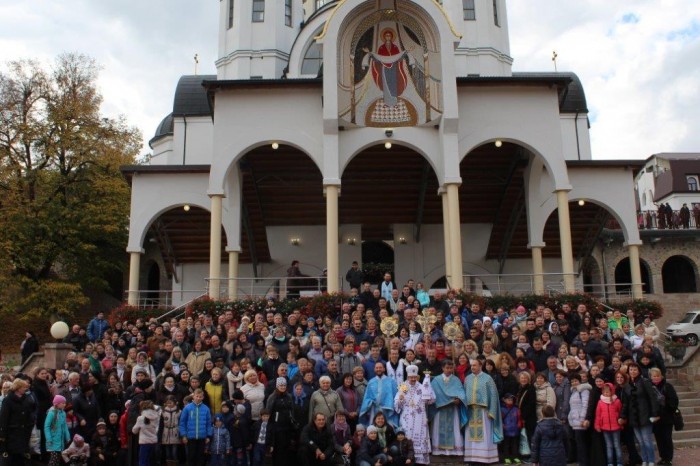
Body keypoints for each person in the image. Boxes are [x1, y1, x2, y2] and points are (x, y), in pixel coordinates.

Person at [463, 358, 503, 464]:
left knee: (484, 436)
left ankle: (485, 457)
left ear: (480, 366)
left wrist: (492, 411)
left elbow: (494, 395)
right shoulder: (468, 379)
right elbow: (464, 393)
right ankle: (472, 457)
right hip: (471, 411)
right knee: (470, 437)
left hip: (484, 412)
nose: (472, 367)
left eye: (475, 365)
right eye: (471, 365)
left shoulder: (487, 378)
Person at [393, 364, 435, 464]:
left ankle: (421, 462)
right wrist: (400, 400)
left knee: (420, 438)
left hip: (420, 418)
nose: (412, 379)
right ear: (407, 377)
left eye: (414, 377)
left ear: (417, 377)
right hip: (406, 417)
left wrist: (428, 395)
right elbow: (396, 403)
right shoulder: (403, 386)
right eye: (411, 377)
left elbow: (432, 399)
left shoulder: (423, 386)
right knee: (406, 437)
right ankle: (407, 459)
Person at [621, 363, 660, 466]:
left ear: (638, 371)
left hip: (645, 415)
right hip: (633, 417)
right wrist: (623, 416)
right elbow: (625, 403)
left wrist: (654, 413)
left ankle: (651, 460)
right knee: (640, 441)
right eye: (631, 370)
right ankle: (645, 460)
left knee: (647, 440)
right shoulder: (627, 386)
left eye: (635, 370)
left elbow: (652, 398)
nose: (633, 372)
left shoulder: (644, 382)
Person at [429, 359, 467, 456]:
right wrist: (441, 401)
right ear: (443, 368)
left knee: (454, 428)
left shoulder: (456, 379)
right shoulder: (436, 380)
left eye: (451, 368)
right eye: (447, 368)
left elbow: (461, 392)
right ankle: (439, 450)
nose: (449, 370)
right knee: (438, 428)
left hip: (452, 408)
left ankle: (454, 451)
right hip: (439, 409)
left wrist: (459, 399)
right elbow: (432, 394)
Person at [0, 378, 36, 466]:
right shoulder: (8, 400)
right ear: (18, 388)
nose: (26, 389)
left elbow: (29, 414)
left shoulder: (26, 399)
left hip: (23, 433)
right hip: (12, 433)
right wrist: (2, 435)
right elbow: (4, 418)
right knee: (12, 457)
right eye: (24, 387)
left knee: (21, 458)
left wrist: (30, 425)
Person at [649, 367, 678, 466]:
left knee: (667, 439)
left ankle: (668, 459)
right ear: (651, 377)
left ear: (661, 376)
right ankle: (663, 457)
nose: (656, 378)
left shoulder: (667, 386)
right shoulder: (650, 387)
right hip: (655, 419)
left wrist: (662, 414)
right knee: (659, 439)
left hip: (666, 418)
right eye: (654, 376)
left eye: (657, 376)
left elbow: (673, 402)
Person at [179, 389, 213, 466]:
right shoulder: (187, 408)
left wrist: (208, 436)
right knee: (191, 457)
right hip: (190, 437)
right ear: (193, 396)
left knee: (200, 457)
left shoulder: (206, 408)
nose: (198, 398)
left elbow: (208, 423)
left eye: (200, 397)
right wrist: (183, 435)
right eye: (197, 396)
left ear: (203, 397)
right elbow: (182, 423)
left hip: (202, 437)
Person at [359, 362, 398, 427]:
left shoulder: (391, 381)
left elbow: (395, 397)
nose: (378, 369)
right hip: (374, 410)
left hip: (387, 411)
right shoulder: (371, 382)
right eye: (377, 368)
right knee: (374, 429)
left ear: (384, 369)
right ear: (374, 369)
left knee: (387, 428)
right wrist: (369, 402)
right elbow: (367, 397)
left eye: (380, 367)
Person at [594, 383, 623, 466]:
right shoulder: (600, 402)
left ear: (612, 392)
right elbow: (598, 415)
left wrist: (621, 422)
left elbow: (620, 412)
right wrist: (597, 425)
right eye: (604, 392)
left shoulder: (617, 401)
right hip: (605, 427)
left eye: (608, 392)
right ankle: (610, 463)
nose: (606, 393)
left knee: (617, 445)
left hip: (616, 427)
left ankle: (619, 462)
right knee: (609, 446)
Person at [131, 400, 160, 466]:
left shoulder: (140, 418)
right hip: (153, 441)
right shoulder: (156, 417)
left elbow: (134, 431)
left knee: (142, 461)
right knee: (149, 460)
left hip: (144, 442)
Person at [45, 395, 71, 466]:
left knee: (57, 461)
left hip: (60, 441)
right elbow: (46, 426)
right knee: (53, 461)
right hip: (53, 441)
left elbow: (64, 425)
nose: (64, 404)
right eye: (63, 403)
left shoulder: (63, 413)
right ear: (58, 403)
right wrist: (49, 438)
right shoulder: (51, 413)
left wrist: (67, 436)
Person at [500, 394, 520, 465]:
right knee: (506, 444)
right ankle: (507, 458)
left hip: (515, 429)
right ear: (504, 400)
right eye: (508, 399)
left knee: (515, 444)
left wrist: (519, 424)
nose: (510, 401)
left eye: (511, 399)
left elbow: (519, 418)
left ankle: (515, 457)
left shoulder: (516, 409)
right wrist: (502, 424)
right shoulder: (502, 409)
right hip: (506, 430)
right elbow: (500, 419)